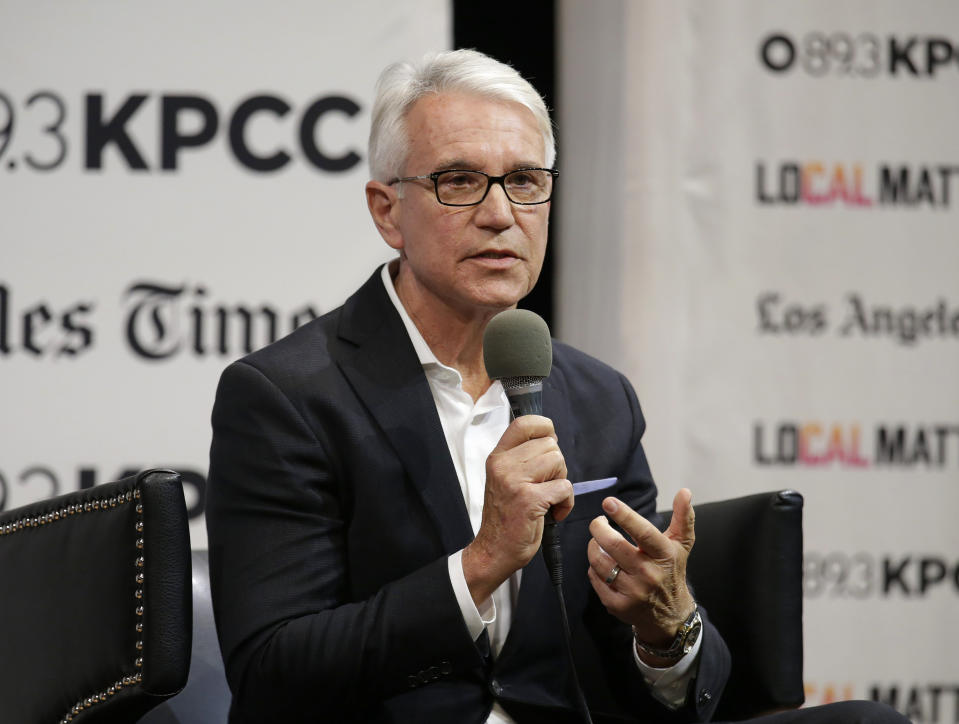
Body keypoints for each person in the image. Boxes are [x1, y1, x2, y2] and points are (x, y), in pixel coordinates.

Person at [206, 49, 907, 724]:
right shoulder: (287, 396)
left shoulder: (598, 397)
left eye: (525, 181)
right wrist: (480, 564)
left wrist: (664, 627)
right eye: (457, 181)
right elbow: (273, 675)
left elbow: (665, 688)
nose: (499, 213)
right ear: (387, 211)